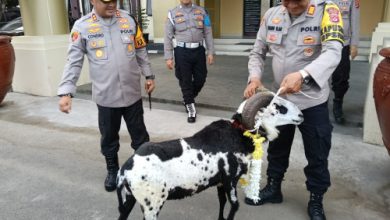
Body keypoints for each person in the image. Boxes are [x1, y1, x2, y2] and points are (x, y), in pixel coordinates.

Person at [243, 1, 343, 220]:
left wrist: (303, 75)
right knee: (277, 147)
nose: (289, 5)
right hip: (281, 99)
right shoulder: (272, 14)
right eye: (285, 0)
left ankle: (316, 198)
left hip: (312, 101)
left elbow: (334, 52)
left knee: (317, 152)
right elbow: (257, 52)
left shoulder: (328, 10)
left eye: (296, 0)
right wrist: (255, 77)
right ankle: (274, 188)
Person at [57, 0, 155, 192]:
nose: (112, 5)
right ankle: (113, 170)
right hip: (106, 97)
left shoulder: (128, 20)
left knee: (140, 136)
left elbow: (140, 49)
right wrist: (66, 91)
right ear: (93, 1)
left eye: (114, 1)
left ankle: (144, 170)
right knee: (109, 137)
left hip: (132, 94)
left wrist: (149, 75)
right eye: (106, 1)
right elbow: (73, 61)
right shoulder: (82, 26)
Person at [164, 0, 215, 123]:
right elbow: (167, 36)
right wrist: (169, 57)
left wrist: (210, 52)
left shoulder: (203, 12)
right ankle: (191, 108)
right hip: (181, 51)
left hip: (199, 51)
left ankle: (188, 98)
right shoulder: (172, 13)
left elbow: (208, 33)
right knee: (185, 80)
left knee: (201, 78)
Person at [331, 0, 360, 124]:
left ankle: (338, 103)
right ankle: (316, 104)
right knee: (316, 75)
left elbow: (355, 20)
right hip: (321, 41)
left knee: (342, 76)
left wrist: (354, 44)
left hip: (343, 42)